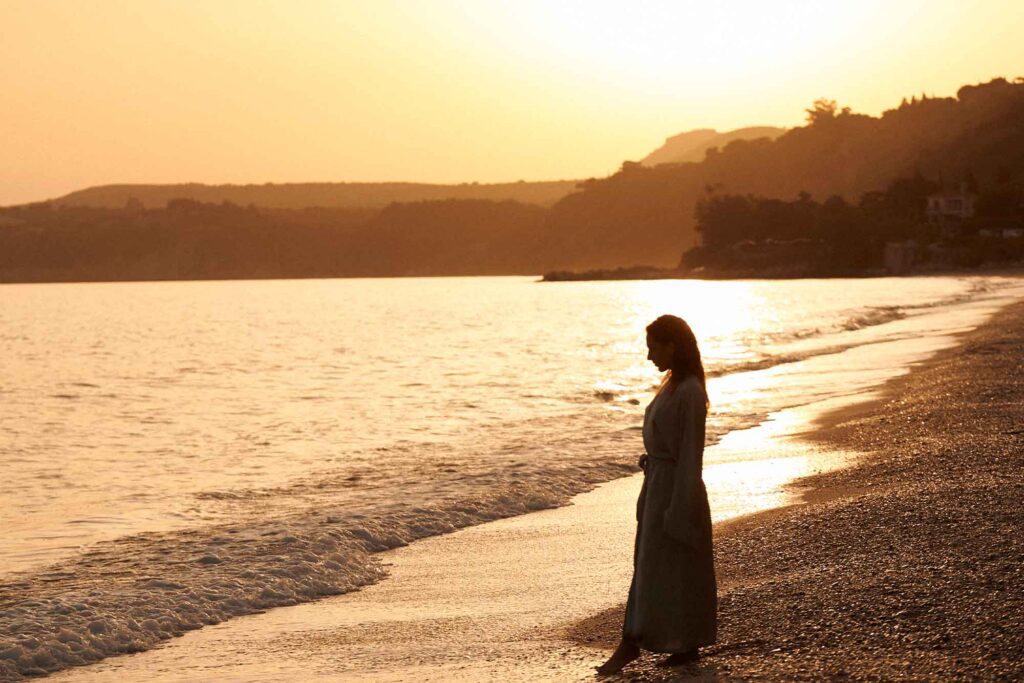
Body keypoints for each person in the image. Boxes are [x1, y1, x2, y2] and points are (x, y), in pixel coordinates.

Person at [597, 314, 718, 675]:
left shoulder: (690, 391)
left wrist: (679, 509)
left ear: (672, 346)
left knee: (667, 567)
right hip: (659, 482)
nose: (649, 356)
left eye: (654, 348)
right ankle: (683, 643)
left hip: (676, 489)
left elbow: (691, 456)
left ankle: (632, 642)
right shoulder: (673, 384)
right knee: (658, 566)